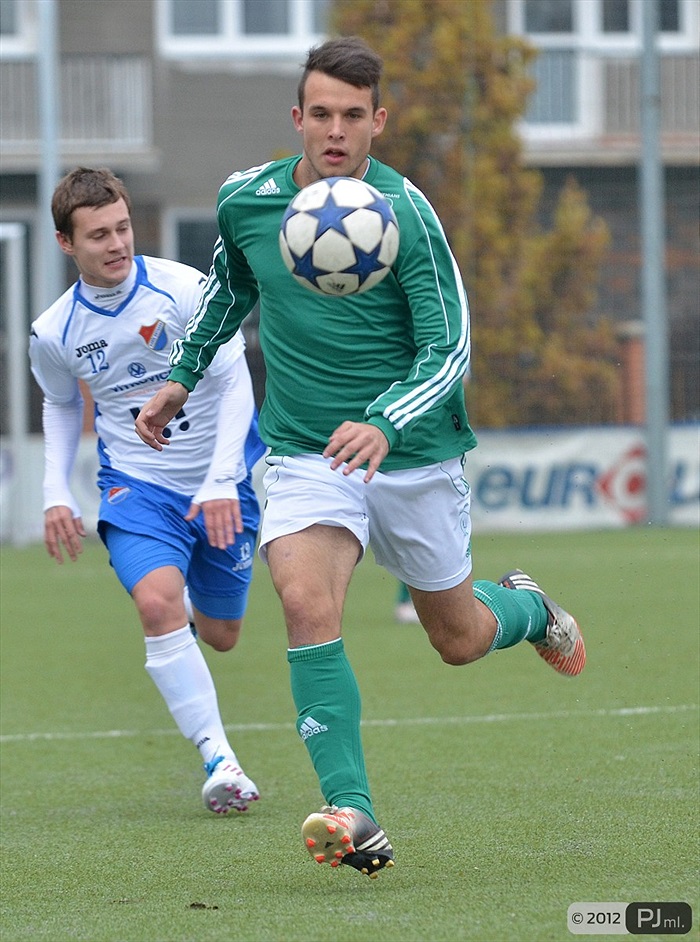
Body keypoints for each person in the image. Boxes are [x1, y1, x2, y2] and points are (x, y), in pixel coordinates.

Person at [135, 37, 585, 875]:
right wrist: (180, 380)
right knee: (306, 605)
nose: (335, 131)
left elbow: (449, 346)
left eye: (353, 116)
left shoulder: (406, 212)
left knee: (457, 637)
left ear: (378, 121)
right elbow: (227, 292)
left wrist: (383, 419)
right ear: (296, 117)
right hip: (307, 451)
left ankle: (523, 607)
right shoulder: (248, 201)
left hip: (411, 454)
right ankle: (353, 812)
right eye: (321, 113)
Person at [29, 167, 266, 814]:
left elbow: (234, 381)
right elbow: (56, 405)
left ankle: (186, 611)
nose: (116, 243)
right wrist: (56, 491)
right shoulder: (55, 332)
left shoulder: (184, 289)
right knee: (157, 607)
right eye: (98, 234)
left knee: (221, 634)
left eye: (123, 227)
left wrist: (221, 480)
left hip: (223, 475)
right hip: (137, 487)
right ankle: (221, 761)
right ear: (65, 244)